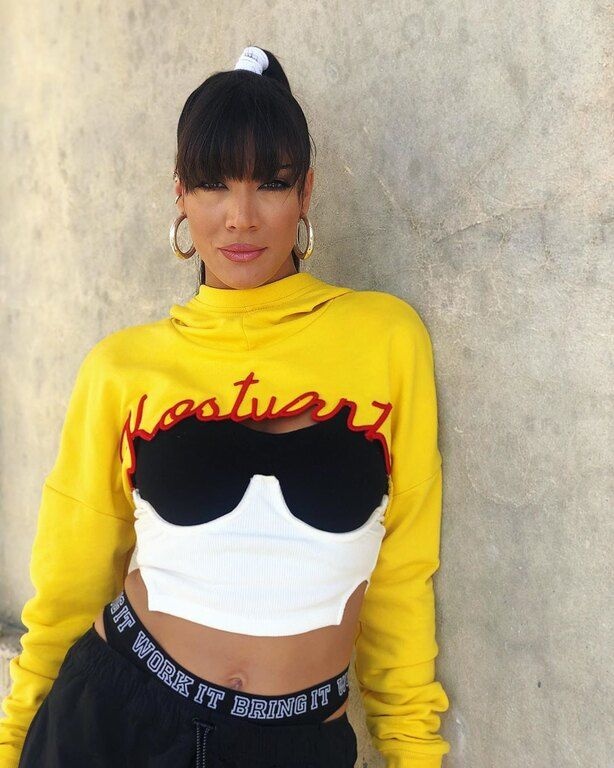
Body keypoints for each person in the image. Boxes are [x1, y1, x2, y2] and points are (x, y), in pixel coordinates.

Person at [0, 45, 451, 768]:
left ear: (305, 193)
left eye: (270, 184)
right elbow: (68, 586)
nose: (241, 217)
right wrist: (10, 742)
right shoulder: (123, 368)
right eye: (213, 184)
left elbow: (402, 574)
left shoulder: (386, 338)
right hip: (116, 722)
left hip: (294, 743)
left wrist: (412, 749)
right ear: (180, 194)